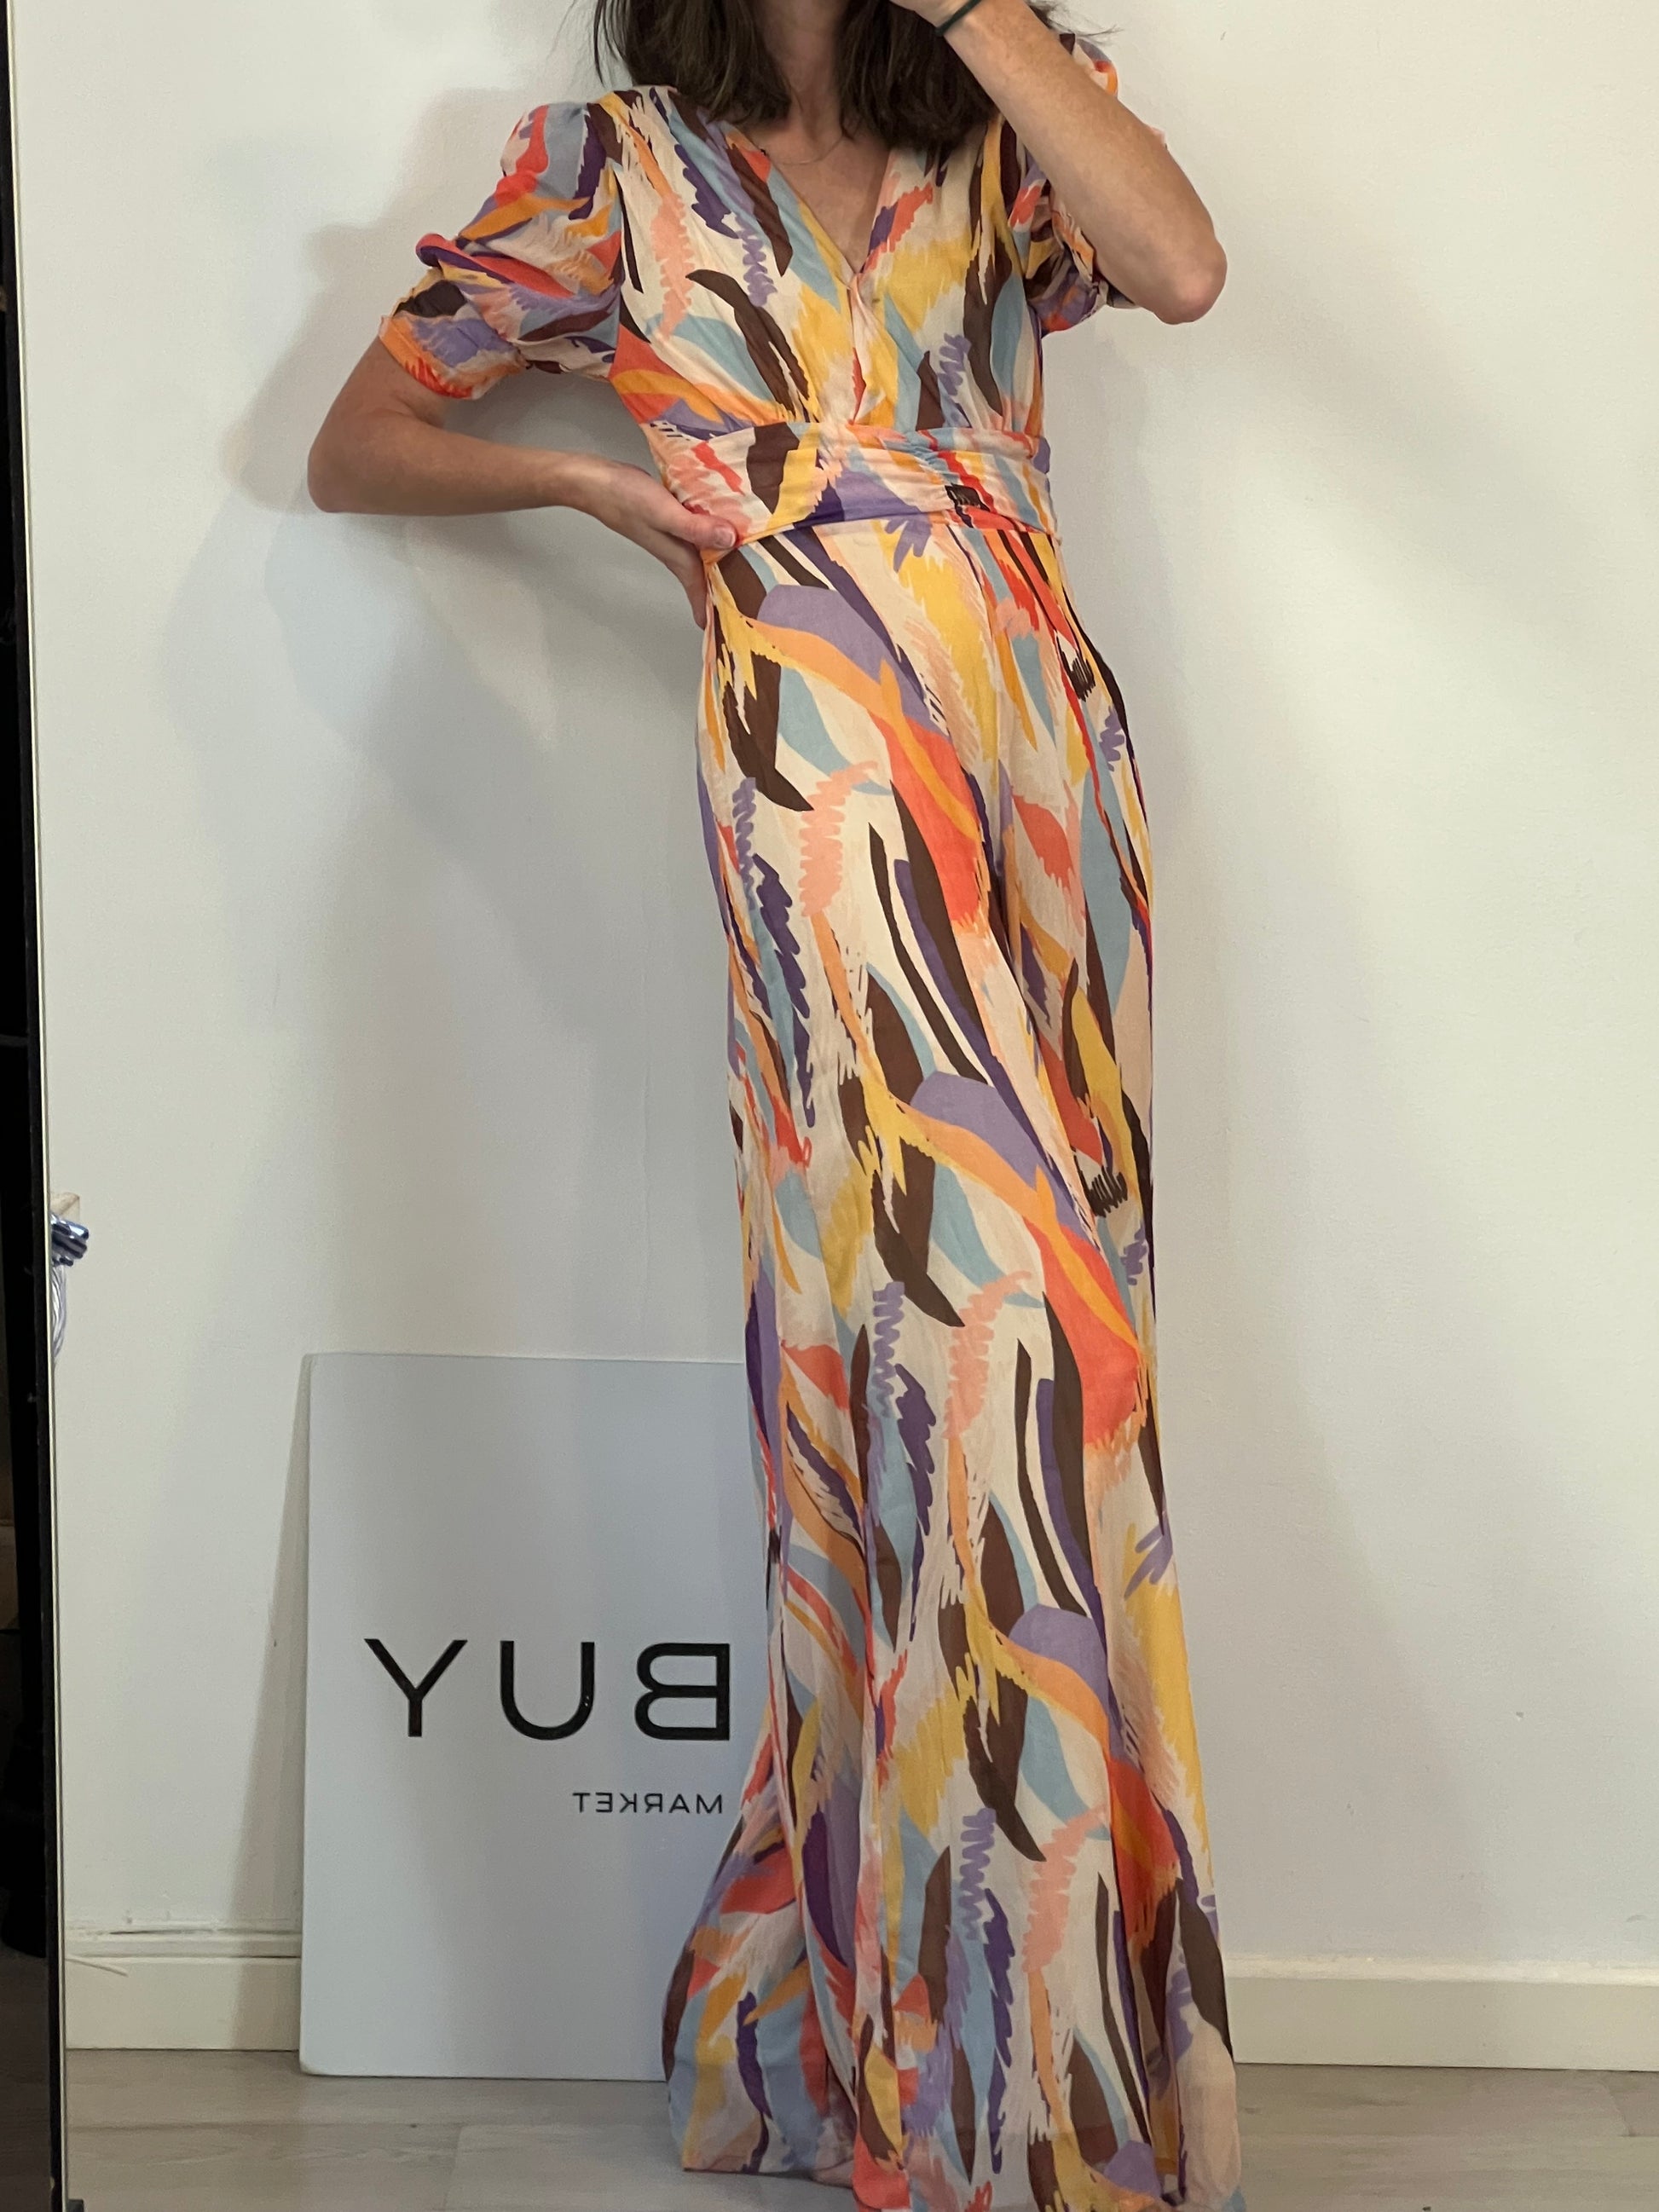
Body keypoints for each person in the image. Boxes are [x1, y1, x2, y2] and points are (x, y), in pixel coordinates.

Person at [309, 0, 1243, 2203]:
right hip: (815, 768)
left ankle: (887, 2021)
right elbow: (361, 439)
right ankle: (1016, 2098)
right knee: (992, 1343)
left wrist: (978, 15)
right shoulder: (612, 173)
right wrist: (591, 484)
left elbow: (1185, 267)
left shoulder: (1004, 122)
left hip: (1038, 772)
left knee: (1004, 1392)